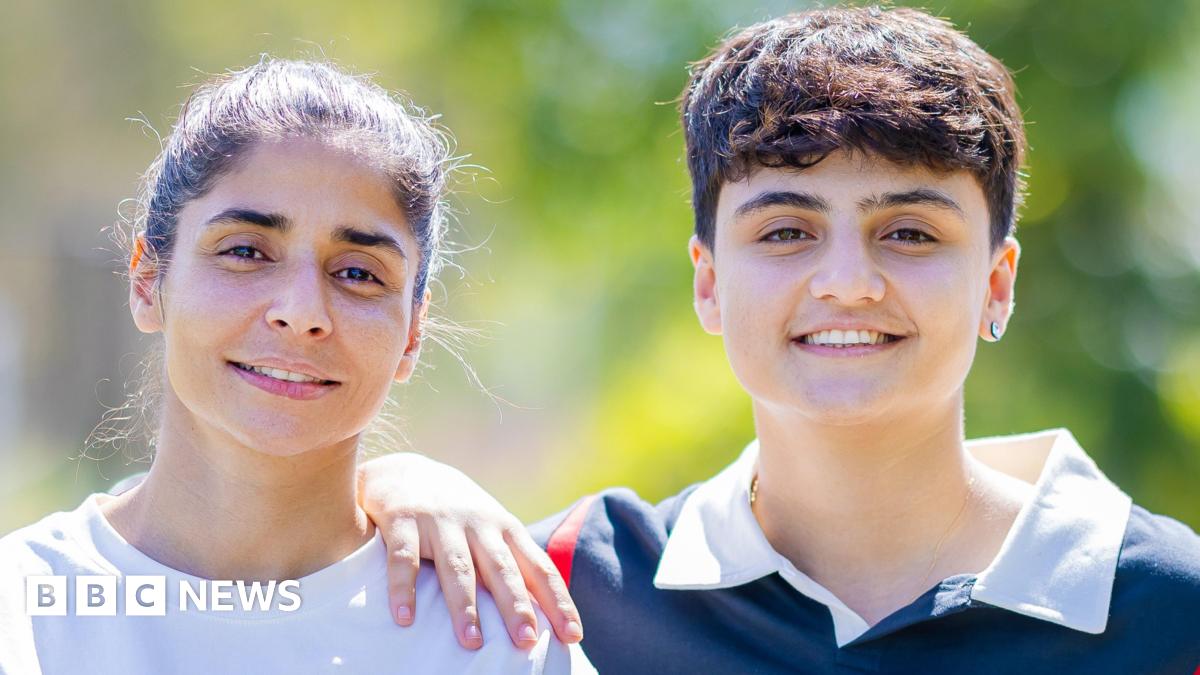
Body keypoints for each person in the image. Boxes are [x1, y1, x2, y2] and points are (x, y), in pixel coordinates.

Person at [353, 7, 1200, 674]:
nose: (847, 281)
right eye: (787, 231)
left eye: (908, 232)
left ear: (997, 281)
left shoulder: (1170, 610)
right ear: (709, 282)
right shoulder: (565, 585)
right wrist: (377, 488)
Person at [0, 58, 593, 675]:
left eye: (359, 273)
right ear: (149, 281)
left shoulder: (496, 639)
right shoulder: (20, 611)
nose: (302, 312)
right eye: (246, 252)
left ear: (413, 331)